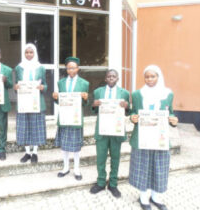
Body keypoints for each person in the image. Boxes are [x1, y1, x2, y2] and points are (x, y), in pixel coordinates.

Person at [129, 65, 178, 210]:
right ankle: (144, 198)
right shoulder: (137, 94)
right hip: (142, 138)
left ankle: (156, 197)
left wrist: (173, 120)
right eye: (147, 77)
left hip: (160, 138)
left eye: (153, 76)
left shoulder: (168, 94)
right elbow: (132, 112)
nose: (149, 79)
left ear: (159, 77)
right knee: (143, 167)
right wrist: (133, 118)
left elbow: (171, 113)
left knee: (159, 167)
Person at [89, 69, 130, 198]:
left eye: (114, 76)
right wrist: (94, 105)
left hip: (116, 131)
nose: (111, 78)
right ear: (105, 78)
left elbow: (128, 112)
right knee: (101, 158)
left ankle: (113, 184)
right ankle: (101, 182)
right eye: (109, 76)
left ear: (117, 78)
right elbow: (93, 110)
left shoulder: (124, 93)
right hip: (102, 130)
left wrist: (127, 106)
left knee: (115, 158)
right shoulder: (98, 92)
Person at [53, 57, 89, 180]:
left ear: (78, 69)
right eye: (68, 68)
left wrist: (85, 98)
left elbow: (85, 104)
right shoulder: (61, 83)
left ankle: (77, 169)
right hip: (64, 116)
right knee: (64, 144)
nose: (71, 70)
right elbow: (59, 102)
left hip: (75, 118)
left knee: (76, 146)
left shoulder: (84, 83)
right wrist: (55, 97)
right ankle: (65, 167)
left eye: (73, 67)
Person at [14, 43, 47, 164]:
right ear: (24, 53)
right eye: (26, 52)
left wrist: (43, 87)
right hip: (23, 102)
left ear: (35, 53)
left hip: (36, 102)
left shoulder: (40, 68)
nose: (29, 54)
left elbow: (46, 84)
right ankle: (27, 152)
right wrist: (16, 87)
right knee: (25, 127)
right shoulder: (19, 68)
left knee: (35, 127)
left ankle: (35, 153)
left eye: (31, 52)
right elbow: (16, 85)